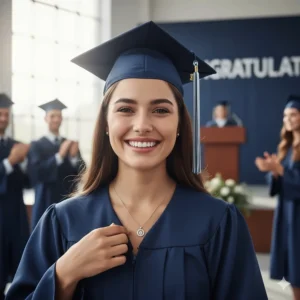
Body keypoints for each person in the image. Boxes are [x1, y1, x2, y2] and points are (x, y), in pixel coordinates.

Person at [6, 21, 267, 300]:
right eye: (126, 109)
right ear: (106, 122)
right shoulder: (63, 222)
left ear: (180, 124)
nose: (142, 125)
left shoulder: (218, 223)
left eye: (160, 109)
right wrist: (64, 274)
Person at [255, 94, 300, 300]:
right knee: (292, 264)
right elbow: (281, 182)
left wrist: (280, 169)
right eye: (285, 115)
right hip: (288, 213)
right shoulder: (288, 145)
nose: (288, 119)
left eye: (293, 114)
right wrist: (273, 172)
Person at [28, 99, 85, 230]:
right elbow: (36, 174)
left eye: (59, 116)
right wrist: (59, 156)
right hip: (44, 201)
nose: (56, 119)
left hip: (67, 201)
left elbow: (82, 173)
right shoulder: (36, 145)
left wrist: (73, 157)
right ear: (45, 118)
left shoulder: (69, 144)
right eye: (52, 116)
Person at [0, 94, 30, 300]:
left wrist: (26, 161)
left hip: (16, 217)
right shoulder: (13, 152)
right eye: (0, 114)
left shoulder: (16, 145)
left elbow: (28, 182)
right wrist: (10, 161)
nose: (3, 118)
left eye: (6, 114)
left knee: (20, 269)